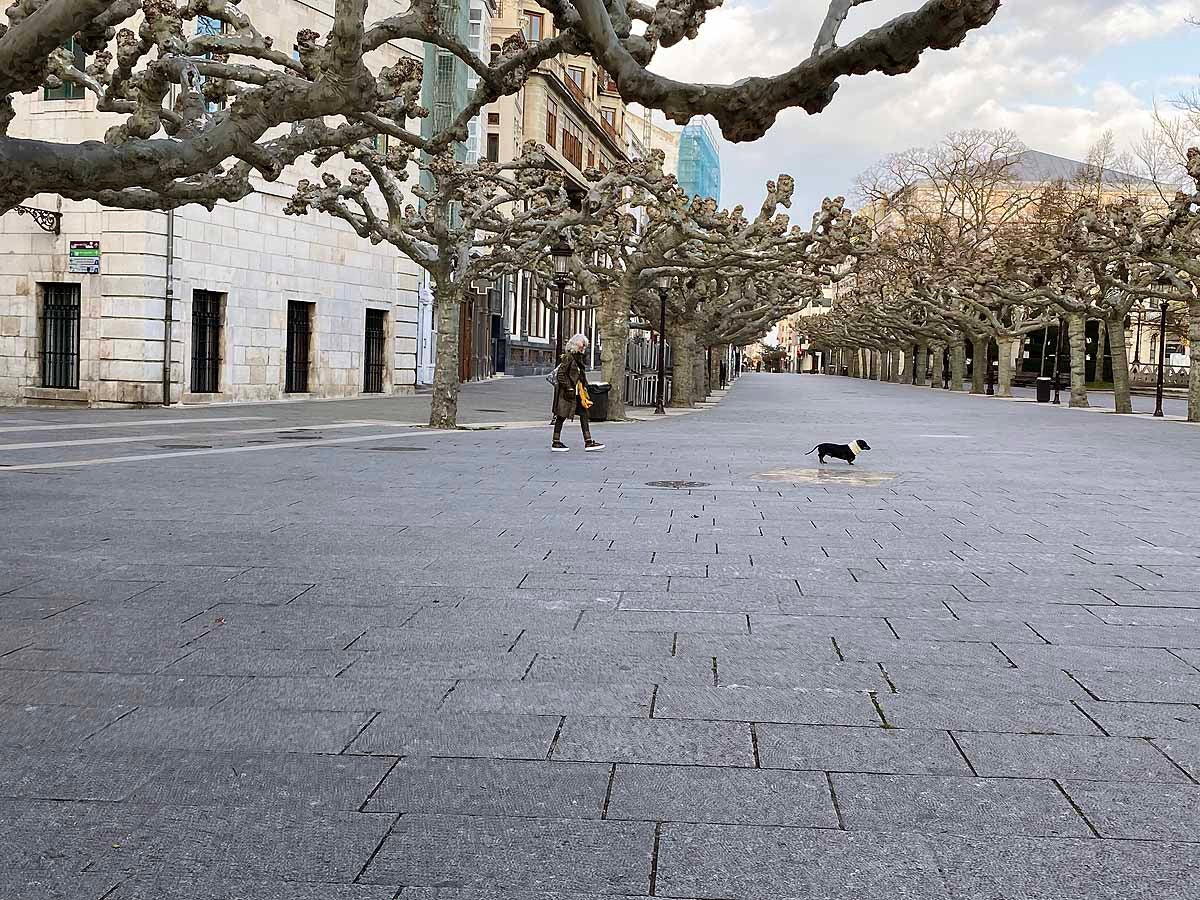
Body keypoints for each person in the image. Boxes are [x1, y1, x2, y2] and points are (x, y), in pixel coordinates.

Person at [551, 334, 604, 452]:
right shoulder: (569, 357)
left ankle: (588, 441)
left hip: (577, 393)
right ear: (575, 344)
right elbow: (561, 374)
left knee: (584, 414)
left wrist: (586, 387)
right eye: (582, 344)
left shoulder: (578, 357)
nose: (583, 347)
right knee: (561, 415)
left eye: (584, 345)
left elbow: (580, 375)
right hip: (567, 393)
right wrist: (568, 388)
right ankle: (556, 442)